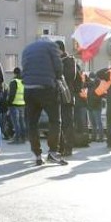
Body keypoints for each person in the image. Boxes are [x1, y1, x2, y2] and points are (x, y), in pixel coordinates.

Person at [20, 38, 67, 166]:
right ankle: (52, 152)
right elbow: (58, 66)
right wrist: (57, 77)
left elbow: (24, 68)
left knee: (32, 123)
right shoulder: (51, 46)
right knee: (55, 120)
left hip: (29, 89)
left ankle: (37, 154)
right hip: (46, 89)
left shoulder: (27, 49)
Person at [6, 67, 27, 144]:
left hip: (14, 104)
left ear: (14, 73)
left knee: (16, 122)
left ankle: (17, 138)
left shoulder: (14, 82)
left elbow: (12, 94)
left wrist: (8, 104)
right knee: (22, 122)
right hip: (22, 104)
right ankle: (23, 137)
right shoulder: (23, 82)